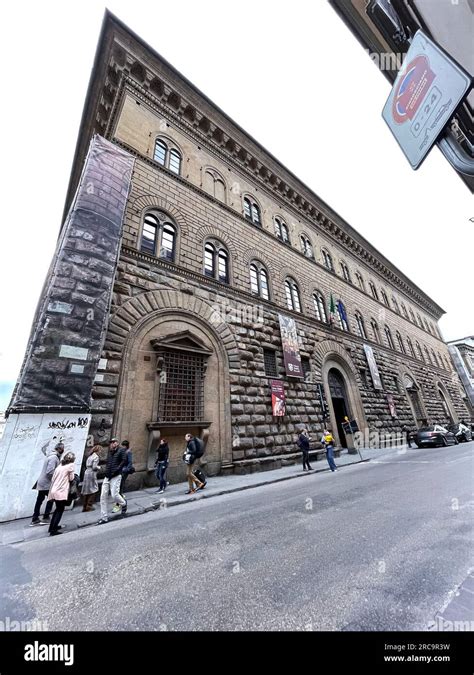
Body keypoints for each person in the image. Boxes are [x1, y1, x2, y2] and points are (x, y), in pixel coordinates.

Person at [30, 443, 64, 526]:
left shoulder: (50, 456)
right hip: (47, 483)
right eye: (63, 449)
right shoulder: (54, 458)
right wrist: (57, 478)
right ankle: (46, 517)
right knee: (50, 500)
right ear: (59, 449)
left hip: (42, 482)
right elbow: (50, 472)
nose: (63, 451)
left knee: (39, 500)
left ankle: (35, 518)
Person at [97, 438, 128, 524]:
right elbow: (108, 463)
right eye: (111, 442)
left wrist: (117, 469)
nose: (112, 444)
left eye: (114, 442)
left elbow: (124, 461)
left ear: (117, 443)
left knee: (115, 495)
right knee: (103, 496)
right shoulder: (110, 452)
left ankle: (124, 503)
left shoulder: (121, 450)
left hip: (116, 476)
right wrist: (106, 471)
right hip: (107, 476)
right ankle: (104, 517)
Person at [47, 452, 76, 536]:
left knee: (57, 509)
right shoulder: (70, 466)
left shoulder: (59, 466)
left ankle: (52, 527)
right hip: (61, 490)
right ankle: (53, 530)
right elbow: (71, 478)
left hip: (54, 490)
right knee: (60, 510)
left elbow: (53, 478)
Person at [81, 445, 100, 512]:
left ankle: (84, 506)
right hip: (91, 473)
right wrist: (99, 467)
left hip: (87, 473)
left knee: (86, 490)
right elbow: (94, 467)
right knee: (93, 489)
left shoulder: (90, 456)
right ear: (98, 450)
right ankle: (89, 506)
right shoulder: (96, 457)